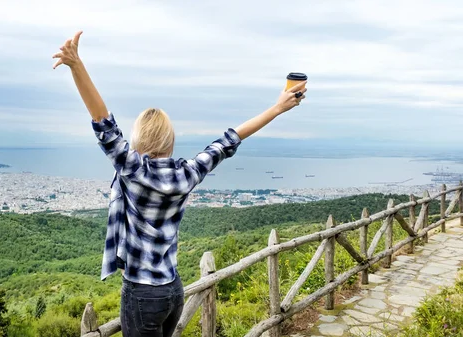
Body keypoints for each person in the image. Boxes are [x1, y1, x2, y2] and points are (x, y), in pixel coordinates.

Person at [52, 31, 306, 337]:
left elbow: (101, 120)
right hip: (173, 290)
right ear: (170, 142)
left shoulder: (133, 171)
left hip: (141, 292)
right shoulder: (186, 174)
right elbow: (230, 139)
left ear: (138, 141)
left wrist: (76, 66)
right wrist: (278, 107)